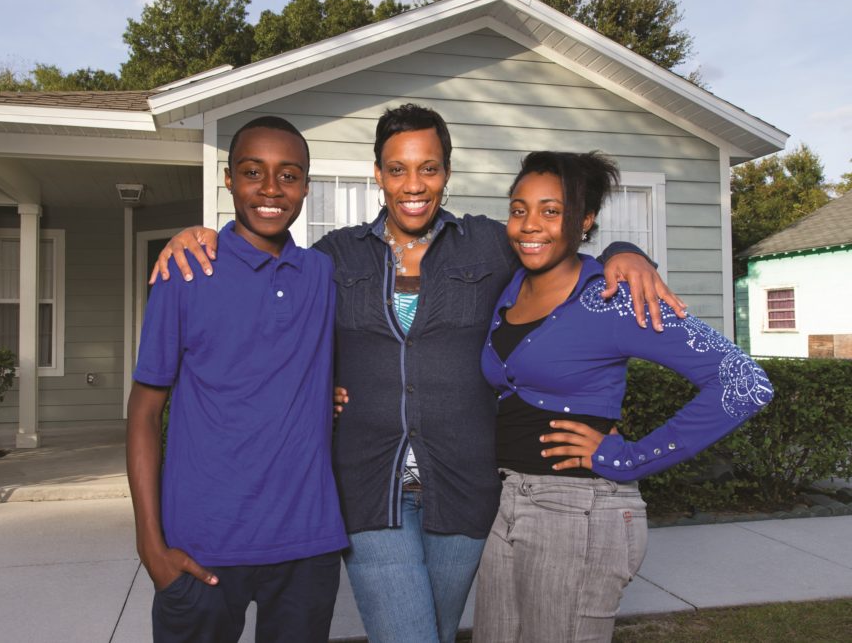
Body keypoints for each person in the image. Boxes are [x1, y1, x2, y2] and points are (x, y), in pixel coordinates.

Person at [150, 105, 686, 643]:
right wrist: (201, 238)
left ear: (447, 173)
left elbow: (553, 242)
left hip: (465, 488)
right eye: (398, 168)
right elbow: (267, 278)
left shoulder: (491, 245)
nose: (414, 184)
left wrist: (626, 251)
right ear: (378, 174)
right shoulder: (336, 256)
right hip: (368, 491)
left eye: (428, 168)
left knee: (437, 632)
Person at [473, 151, 773, 642]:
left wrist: (629, 458)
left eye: (552, 211)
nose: (530, 224)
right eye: (519, 208)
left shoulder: (612, 299)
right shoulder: (511, 286)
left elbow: (743, 381)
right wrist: (626, 247)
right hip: (509, 498)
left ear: (584, 219)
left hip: (579, 509)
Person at [125, 116, 348, 643]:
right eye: (253, 172)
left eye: (288, 175)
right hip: (202, 544)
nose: (271, 189)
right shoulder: (186, 271)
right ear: (228, 179)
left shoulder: (322, 274)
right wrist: (149, 546)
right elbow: (143, 413)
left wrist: (330, 392)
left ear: (306, 186)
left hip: (306, 544)